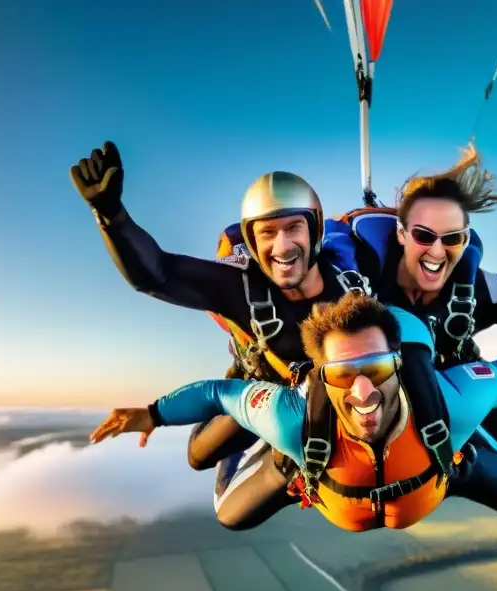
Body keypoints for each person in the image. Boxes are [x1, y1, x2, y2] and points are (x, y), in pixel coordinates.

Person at [90, 293, 497, 533]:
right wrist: (153, 414)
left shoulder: (450, 404)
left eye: (378, 371)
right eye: (341, 375)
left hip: (443, 465)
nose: (361, 392)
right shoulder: (293, 420)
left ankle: (484, 445)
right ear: (321, 378)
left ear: (399, 366)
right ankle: (280, 465)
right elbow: (222, 394)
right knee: (228, 514)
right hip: (313, 474)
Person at [70, 141, 372, 513]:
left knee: (233, 513)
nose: (282, 245)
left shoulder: (353, 281)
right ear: (251, 239)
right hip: (259, 388)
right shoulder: (241, 288)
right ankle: (270, 437)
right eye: (267, 233)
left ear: (316, 231)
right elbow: (158, 274)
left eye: (294, 227)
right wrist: (111, 216)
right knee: (198, 455)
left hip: (335, 397)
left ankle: (286, 456)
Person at [321, 146, 497, 516]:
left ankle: (443, 472)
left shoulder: (472, 289)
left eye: (452, 239)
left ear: (465, 242)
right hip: (367, 401)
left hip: (454, 395)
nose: (437, 251)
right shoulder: (357, 279)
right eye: (423, 235)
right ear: (401, 234)